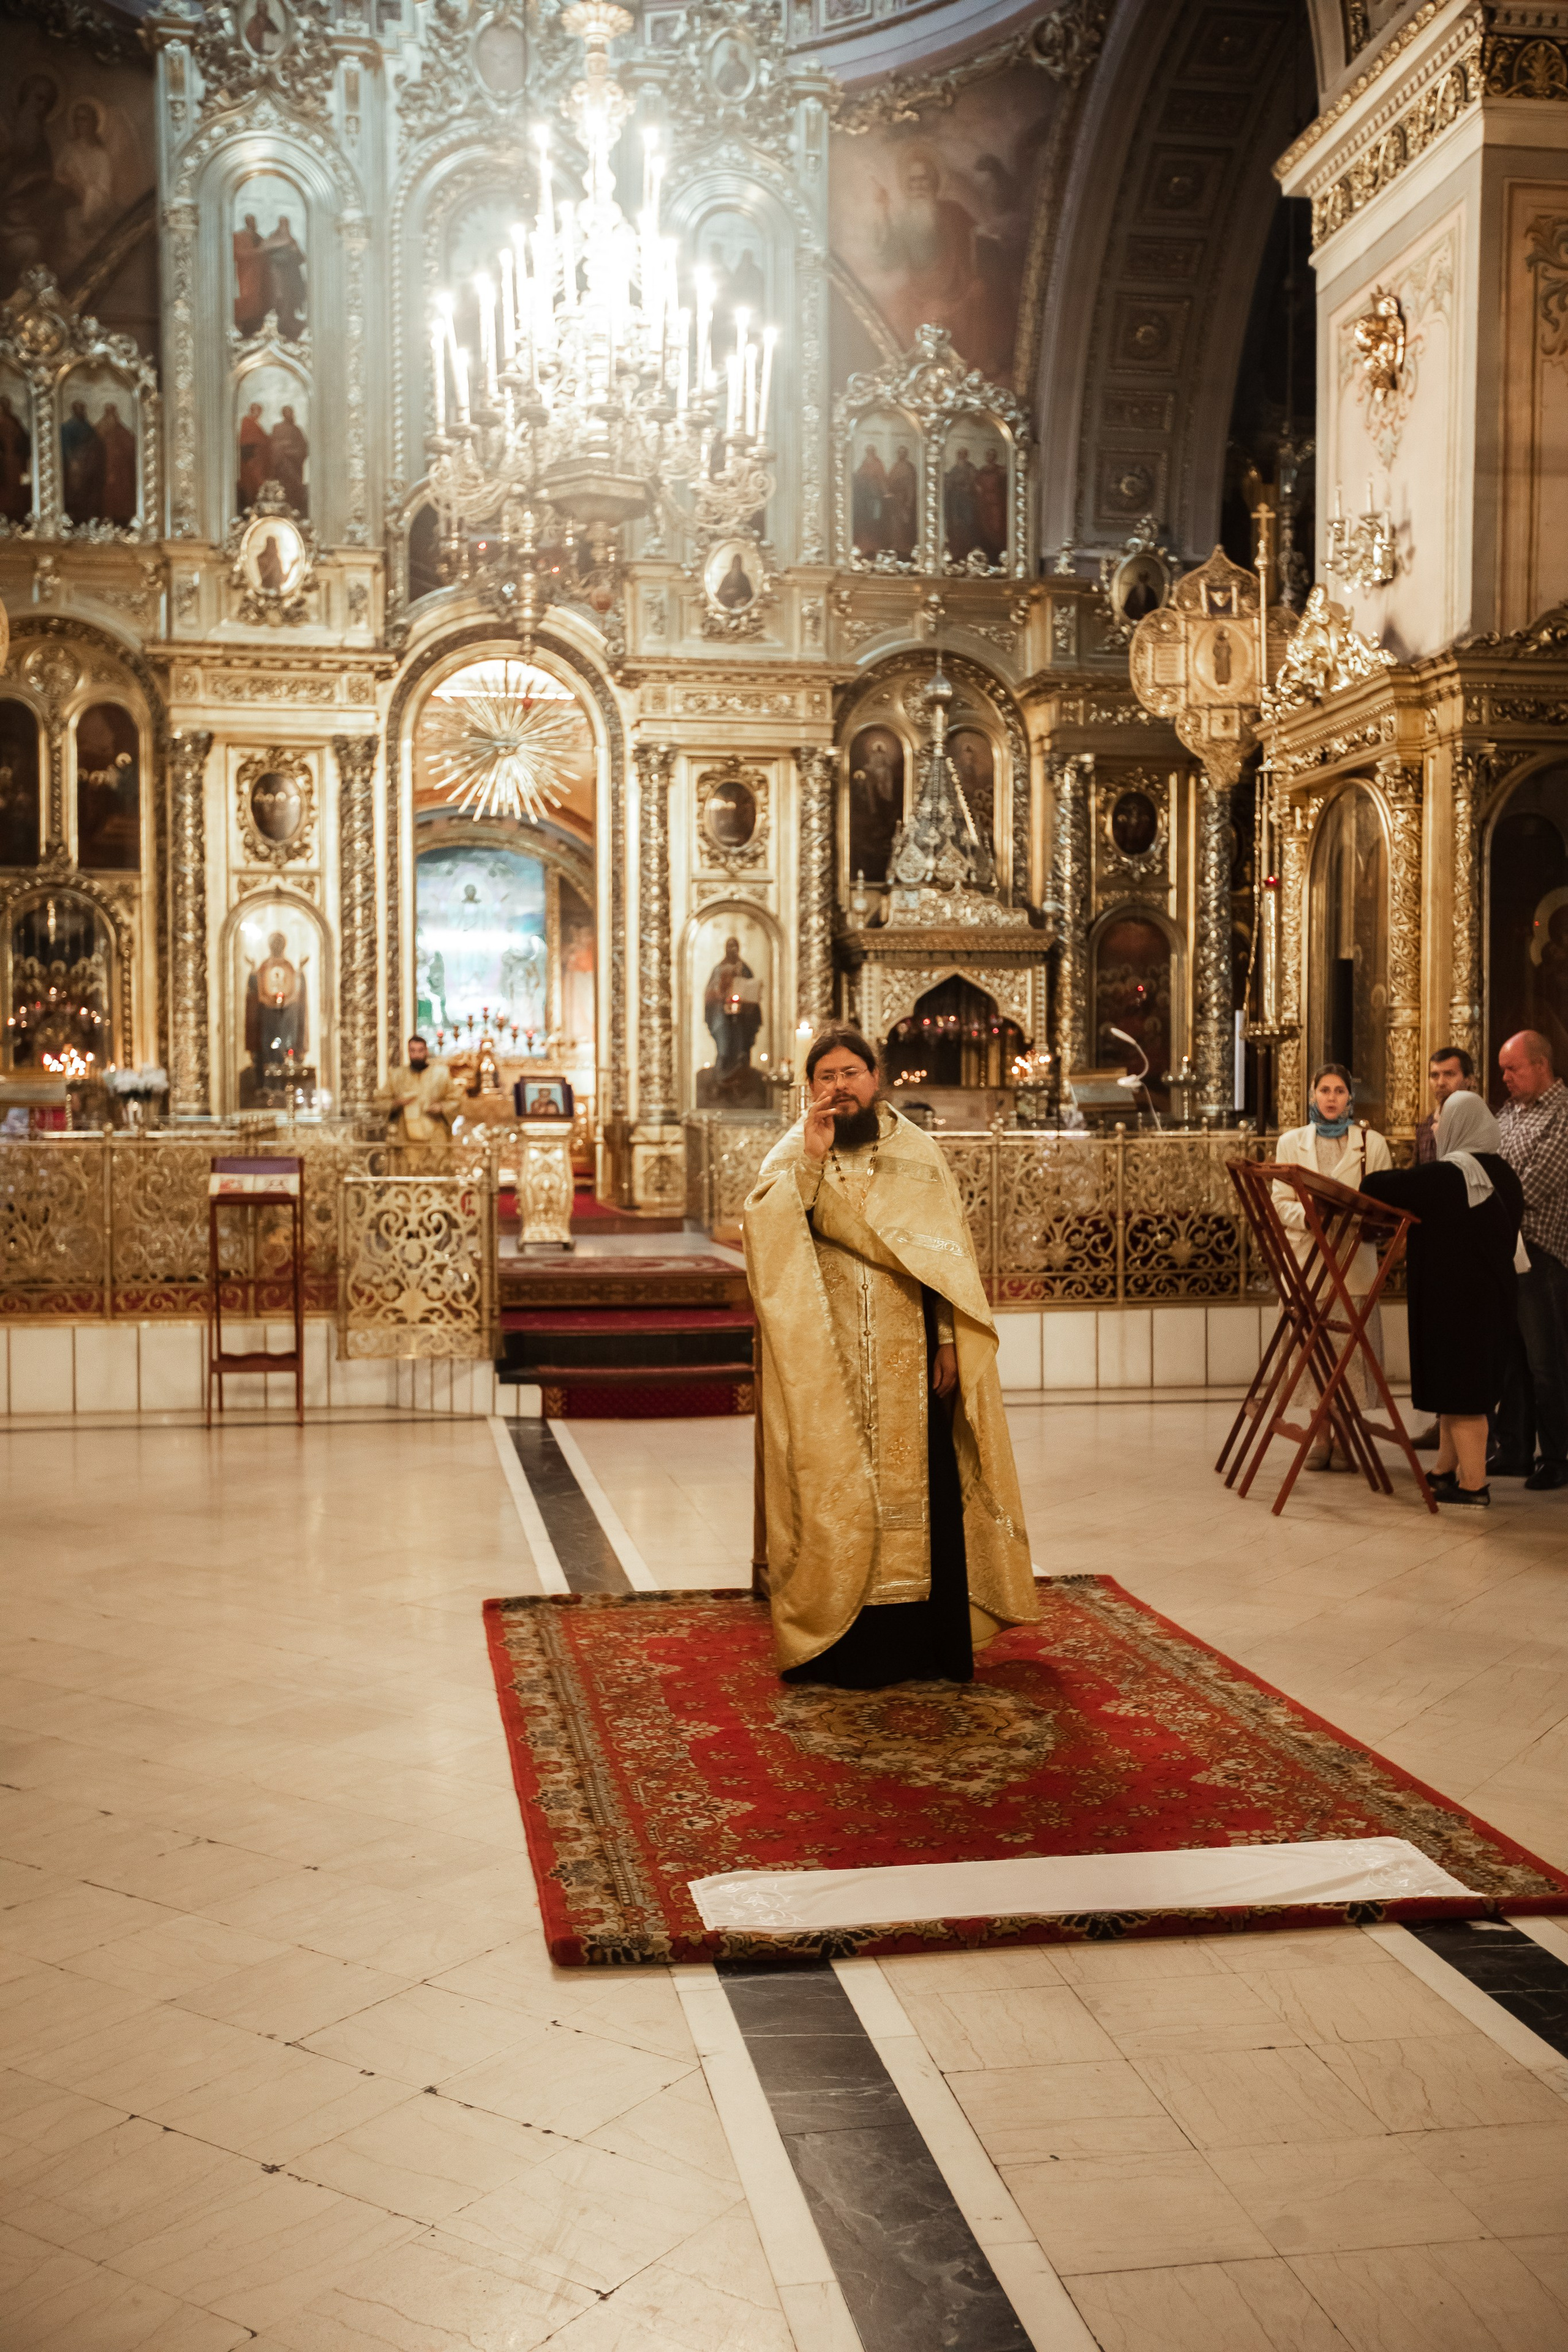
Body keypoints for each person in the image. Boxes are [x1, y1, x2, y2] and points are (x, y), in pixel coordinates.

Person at [743, 1023, 1038, 1686]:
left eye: (851, 1073)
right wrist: (811, 1159)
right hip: (830, 1363)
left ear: (876, 1079)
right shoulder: (794, 1151)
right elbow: (765, 1236)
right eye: (826, 1076)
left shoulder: (918, 1153)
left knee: (924, 1493)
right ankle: (838, 1642)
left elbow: (948, 1262)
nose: (840, 1086)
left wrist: (947, 1341)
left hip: (911, 1355)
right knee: (833, 1489)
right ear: (809, 1087)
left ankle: (926, 1643)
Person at [1361, 1093, 1523, 1508]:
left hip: (1459, 1303)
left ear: (1459, 1124)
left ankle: (1474, 1486)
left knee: (1465, 1393)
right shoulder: (1504, 1173)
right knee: (1458, 1388)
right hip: (1490, 1297)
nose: (1435, 1127)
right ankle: (1444, 1471)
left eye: (1442, 1120)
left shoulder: (1450, 1173)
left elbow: (1377, 1186)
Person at [1272, 1063, 1392, 1469]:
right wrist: (1311, 1217)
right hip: (1308, 1260)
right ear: (1312, 1095)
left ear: (1350, 1098)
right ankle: (1319, 1437)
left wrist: (1355, 1212)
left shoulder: (1371, 1143)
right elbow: (1280, 1201)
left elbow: (1384, 1201)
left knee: (1348, 1357)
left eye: (1339, 1091)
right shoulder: (1291, 1142)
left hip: (1352, 1261)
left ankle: (1344, 1439)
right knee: (1313, 1355)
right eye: (1324, 1090)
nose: (1331, 1098)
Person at [1490, 1028, 1568, 1488]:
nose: (1505, 1077)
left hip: (1541, 1254)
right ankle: (1515, 1450)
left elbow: (1534, 1187)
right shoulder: (1508, 1112)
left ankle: (1558, 1456)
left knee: (1547, 1362)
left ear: (1541, 1066)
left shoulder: (1563, 1114)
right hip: (1505, 1247)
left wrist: (1494, 1190)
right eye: (1503, 1070)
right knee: (1512, 1359)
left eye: (1512, 1069)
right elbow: (1486, 1163)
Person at [1409, 1044, 1476, 1446]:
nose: (1440, 1083)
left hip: (1468, 1242)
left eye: (1449, 1075)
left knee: (1468, 1339)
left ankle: (1479, 1426)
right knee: (1438, 1338)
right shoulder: (1425, 1125)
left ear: (1468, 1079)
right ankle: (1444, 1424)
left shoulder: (1479, 1122)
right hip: (1434, 1241)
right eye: (1435, 1075)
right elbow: (1423, 1176)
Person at [380, 1033, 461, 1144]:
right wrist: (397, 1103)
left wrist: (441, 1108)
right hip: (406, 1140)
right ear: (408, 1052)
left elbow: (456, 1099)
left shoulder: (441, 1074)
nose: (417, 1055)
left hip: (435, 1139)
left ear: (426, 1051)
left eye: (420, 1050)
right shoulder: (397, 1076)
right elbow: (381, 1101)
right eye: (412, 1051)